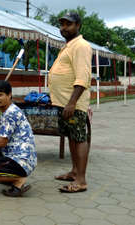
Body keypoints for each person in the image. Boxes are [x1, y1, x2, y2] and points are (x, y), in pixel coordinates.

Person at [48, 12, 92, 193]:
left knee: (79, 138)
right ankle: (74, 171)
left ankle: (81, 180)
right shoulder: (68, 46)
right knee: (71, 137)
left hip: (72, 103)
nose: (64, 27)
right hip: (64, 102)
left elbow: (83, 77)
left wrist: (72, 102)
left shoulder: (81, 45)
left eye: (69, 24)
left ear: (78, 25)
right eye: (62, 24)